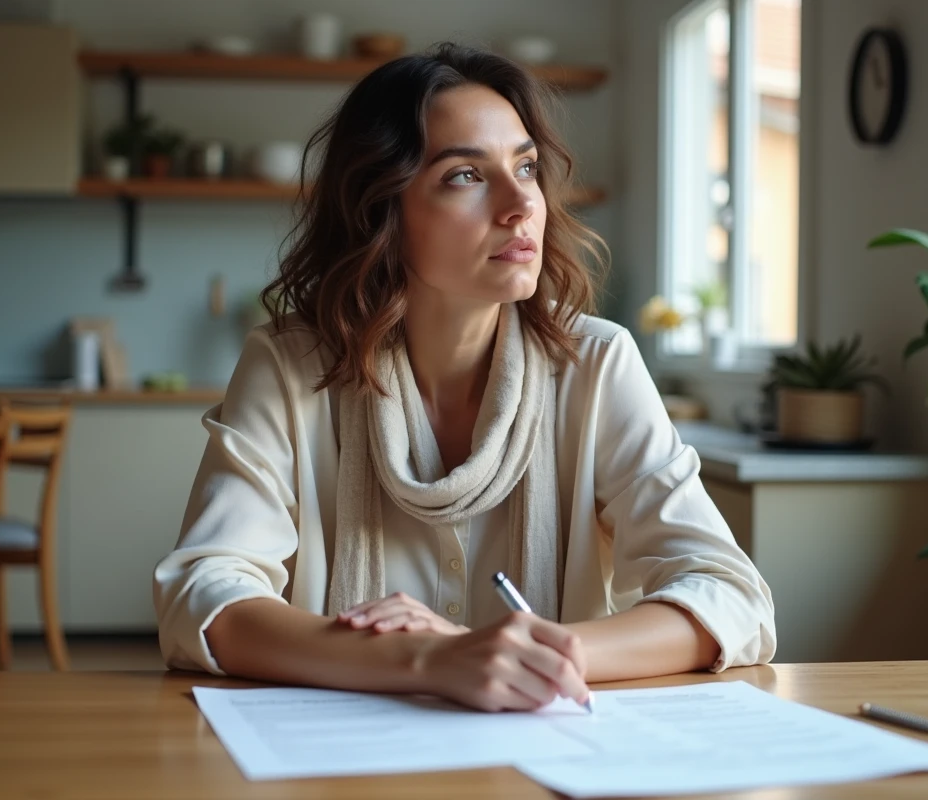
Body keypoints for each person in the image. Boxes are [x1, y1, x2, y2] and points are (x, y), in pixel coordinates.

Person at [153, 43, 775, 713]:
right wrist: (426, 658)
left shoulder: (596, 364)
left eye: (526, 166)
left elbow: (730, 596)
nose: (520, 205)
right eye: (465, 176)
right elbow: (203, 598)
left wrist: (529, 656)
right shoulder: (288, 367)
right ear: (381, 210)